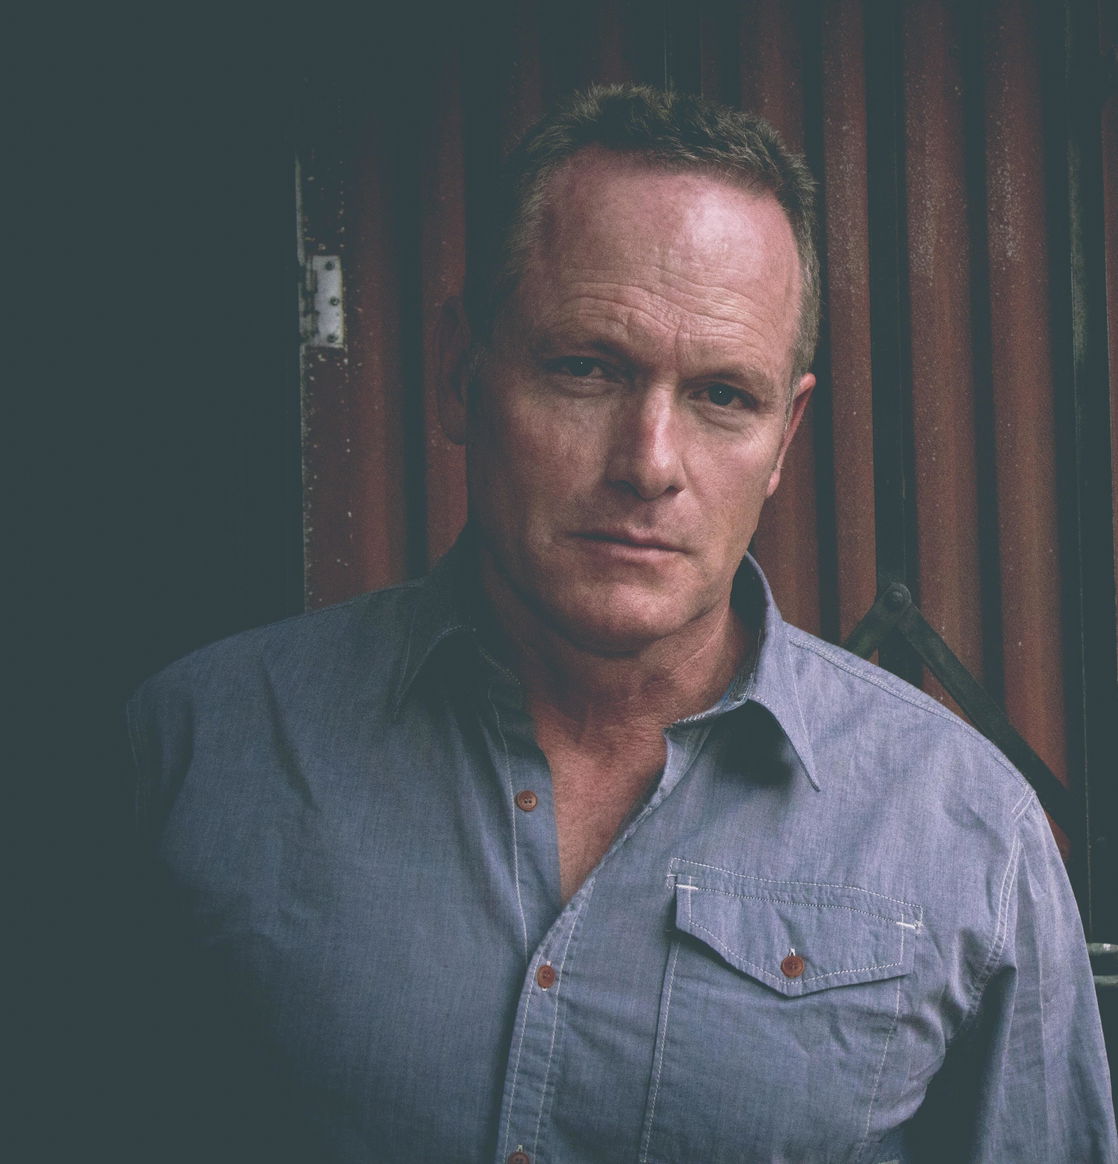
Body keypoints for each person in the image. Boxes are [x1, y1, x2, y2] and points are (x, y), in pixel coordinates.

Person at [128, 85, 1116, 1163]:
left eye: (723, 396)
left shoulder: (966, 833)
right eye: (586, 368)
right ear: (461, 371)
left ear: (784, 438)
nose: (649, 463)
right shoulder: (198, 752)